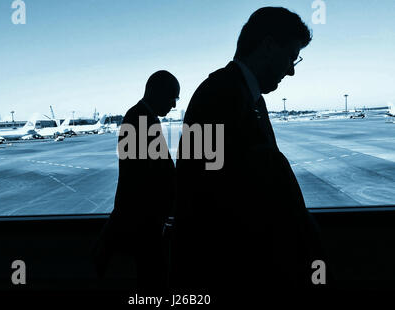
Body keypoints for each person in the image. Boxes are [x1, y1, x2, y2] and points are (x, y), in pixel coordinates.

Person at [172, 7, 330, 296]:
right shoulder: (217, 95)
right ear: (268, 46)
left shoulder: (246, 95)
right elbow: (199, 194)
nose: (292, 70)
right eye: (291, 57)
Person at [94, 70, 180, 292]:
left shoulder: (140, 116)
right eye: (172, 97)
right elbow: (150, 174)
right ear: (156, 92)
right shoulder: (141, 119)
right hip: (142, 220)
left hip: (138, 217)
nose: (173, 105)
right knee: (151, 281)